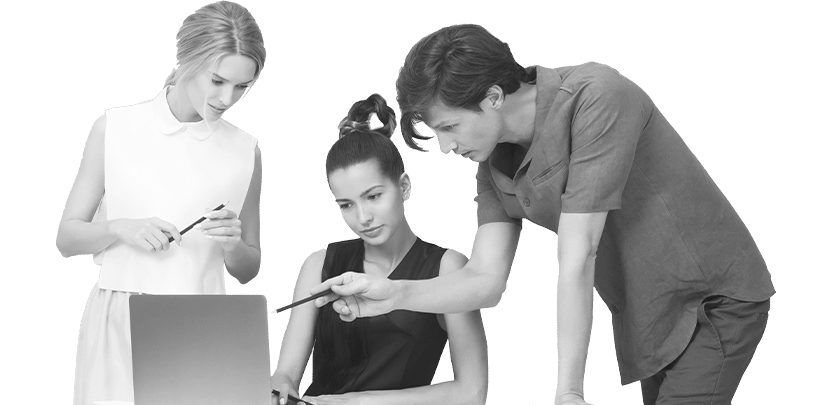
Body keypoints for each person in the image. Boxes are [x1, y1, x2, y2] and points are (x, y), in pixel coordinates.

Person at [311, 24, 775, 405]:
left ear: (493, 97)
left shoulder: (597, 96)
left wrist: (568, 391)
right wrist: (392, 293)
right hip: (649, 316)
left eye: (450, 127)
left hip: (711, 299)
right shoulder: (493, 161)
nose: (447, 147)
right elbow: (485, 281)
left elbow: (579, 253)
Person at [55, 1, 265, 403]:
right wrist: (120, 227)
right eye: (217, 80)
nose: (227, 98)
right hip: (118, 318)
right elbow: (67, 239)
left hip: (202, 324)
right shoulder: (115, 127)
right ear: (187, 59)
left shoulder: (245, 152)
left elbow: (248, 269)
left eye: (243, 87)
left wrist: (232, 243)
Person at [270, 94, 488, 405]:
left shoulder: (447, 267)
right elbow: (285, 374)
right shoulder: (319, 264)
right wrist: (279, 390)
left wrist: (353, 403)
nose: (363, 218)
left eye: (373, 196)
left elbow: (471, 393)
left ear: (404, 187)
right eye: (346, 205)